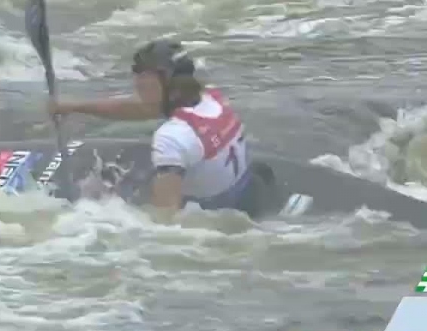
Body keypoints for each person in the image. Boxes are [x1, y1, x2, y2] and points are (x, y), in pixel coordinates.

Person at [49, 40, 277, 216]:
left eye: (144, 78)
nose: (136, 83)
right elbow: (139, 109)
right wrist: (74, 106)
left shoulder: (171, 137)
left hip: (210, 215)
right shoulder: (211, 99)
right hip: (242, 195)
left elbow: (165, 222)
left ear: (166, 83)